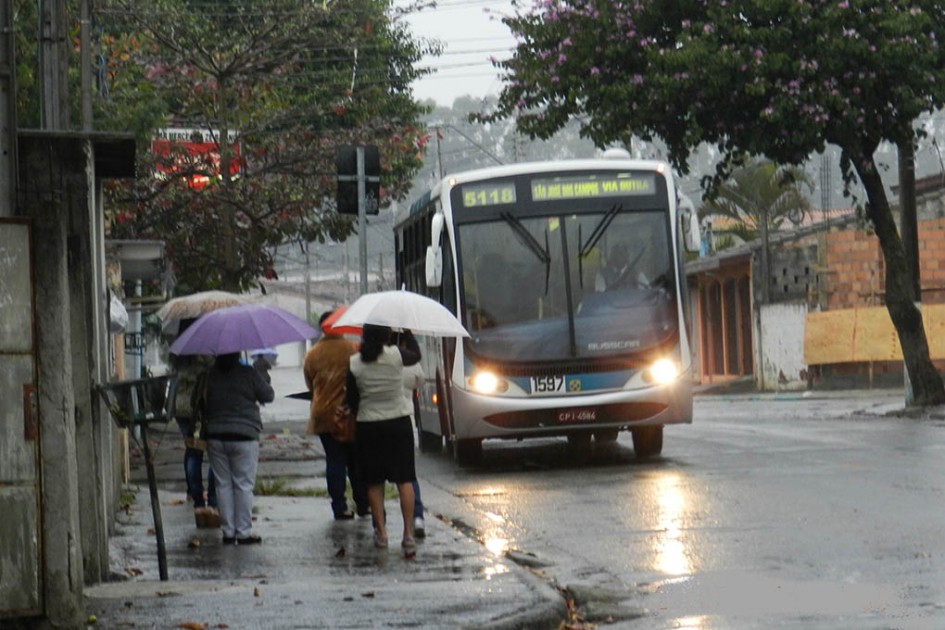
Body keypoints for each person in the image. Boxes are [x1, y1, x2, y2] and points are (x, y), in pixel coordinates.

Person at [346, 324, 421, 555]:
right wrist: (408, 332)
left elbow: (352, 399)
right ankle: (408, 534)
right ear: (387, 337)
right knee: (404, 480)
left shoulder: (354, 363)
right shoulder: (396, 355)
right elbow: (416, 356)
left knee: (374, 482)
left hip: (369, 427)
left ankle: (382, 533)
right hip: (398, 423)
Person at [202, 352, 274, 545]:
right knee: (243, 484)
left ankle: (227, 531)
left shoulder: (209, 375)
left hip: (216, 435)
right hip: (245, 435)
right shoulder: (249, 373)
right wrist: (262, 375)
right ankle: (242, 532)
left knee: (222, 485)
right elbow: (268, 395)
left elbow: (199, 402)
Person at [303, 311, 369, 520]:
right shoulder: (352, 349)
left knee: (334, 460)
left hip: (322, 415)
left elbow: (309, 384)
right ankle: (362, 503)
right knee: (355, 460)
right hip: (348, 414)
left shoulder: (313, 354)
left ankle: (339, 506)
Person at [170, 336, 218, 528]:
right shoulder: (205, 354)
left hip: (180, 407)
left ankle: (196, 497)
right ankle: (212, 499)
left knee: (192, 450)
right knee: (214, 452)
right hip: (201, 407)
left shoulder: (177, 352)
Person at [396, 330, 427, 539]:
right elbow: (420, 381)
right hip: (405, 421)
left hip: (373, 424)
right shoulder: (411, 364)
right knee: (408, 476)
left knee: (375, 480)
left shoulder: (368, 362)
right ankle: (416, 519)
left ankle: (378, 527)